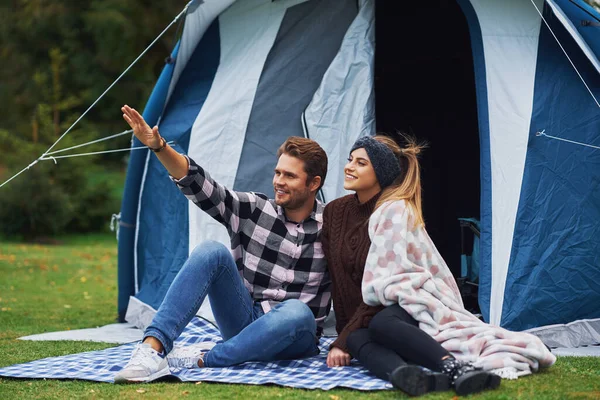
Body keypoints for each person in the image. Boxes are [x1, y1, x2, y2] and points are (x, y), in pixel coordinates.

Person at [115, 105, 331, 383]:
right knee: (211, 251)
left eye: (289, 176)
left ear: (314, 183)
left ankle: (205, 358)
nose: (279, 181)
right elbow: (201, 187)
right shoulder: (256, 209)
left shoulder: (333, 224)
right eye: (278, 173)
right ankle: (151, 350)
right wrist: (159, 147)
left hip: (297, 335)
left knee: (296, 311)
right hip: (245, 321)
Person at [321, 135, 505, 396]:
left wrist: (345, 336)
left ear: (381, 173)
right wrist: (344, 335)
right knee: (357, 338)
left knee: (380, 324)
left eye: (361, 163)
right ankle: (411, 379)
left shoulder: (394, 212)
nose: (349, 166)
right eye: (351, 159)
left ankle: (455, 368)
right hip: (371, 315)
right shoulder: (335, 212)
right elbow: (339, 280)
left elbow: (387, 286)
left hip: (408, 303)